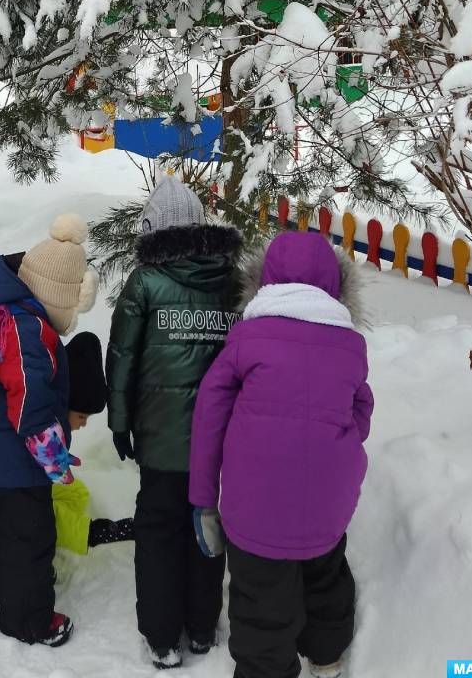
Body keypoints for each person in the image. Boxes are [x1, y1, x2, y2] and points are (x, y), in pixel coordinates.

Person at [189, 230, 373, 678]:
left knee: (261, 603)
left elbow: (209, 416)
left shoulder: (247, 339)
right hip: (328, 502)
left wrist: (202, 498)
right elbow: (361, 408)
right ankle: (327, 658)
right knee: (325, 576)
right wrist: (336, 444)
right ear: (335, 286)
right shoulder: (350, 346)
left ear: (262, 281)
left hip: (255, 505)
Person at [106, 174, 241, 670]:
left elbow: (122, 356)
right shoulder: (230, 281)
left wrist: (119, 421)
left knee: (159, 532)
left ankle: (162, 638)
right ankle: (202, 628)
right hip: (216, 441)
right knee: (205, 526)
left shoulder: (146, 282)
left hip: (160, 439)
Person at [0, 214, 98, 649]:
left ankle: (9, 594)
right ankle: (30, 621)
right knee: (33, 541)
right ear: (58, 293)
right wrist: (53, 457)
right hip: (17, 455)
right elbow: (31, 397)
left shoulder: (4, 309)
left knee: (11, 531)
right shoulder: (24, 326)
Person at [0, 330, 133, 559]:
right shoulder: (37, 419)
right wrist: (92, 532)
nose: (83, 425)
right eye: (82, 416)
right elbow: (35, 488)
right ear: (66, 403)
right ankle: (3, 536)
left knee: (76, 494)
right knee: (38, 505)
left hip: (5, 476)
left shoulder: (50, 418)